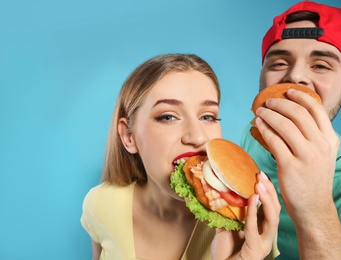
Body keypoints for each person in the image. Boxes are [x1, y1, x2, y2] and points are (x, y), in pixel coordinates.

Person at [81, 53, 281, 260]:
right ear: (128, 136)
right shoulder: (101, 204)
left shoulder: (249, 221)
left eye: (208, 116)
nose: (197, 136)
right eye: (168, 117)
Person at [241, 1, 341, 259]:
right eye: (278, 63)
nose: (296, 76)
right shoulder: (251, 137)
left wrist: (314, 206)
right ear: (261, 77)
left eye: (320, 65)